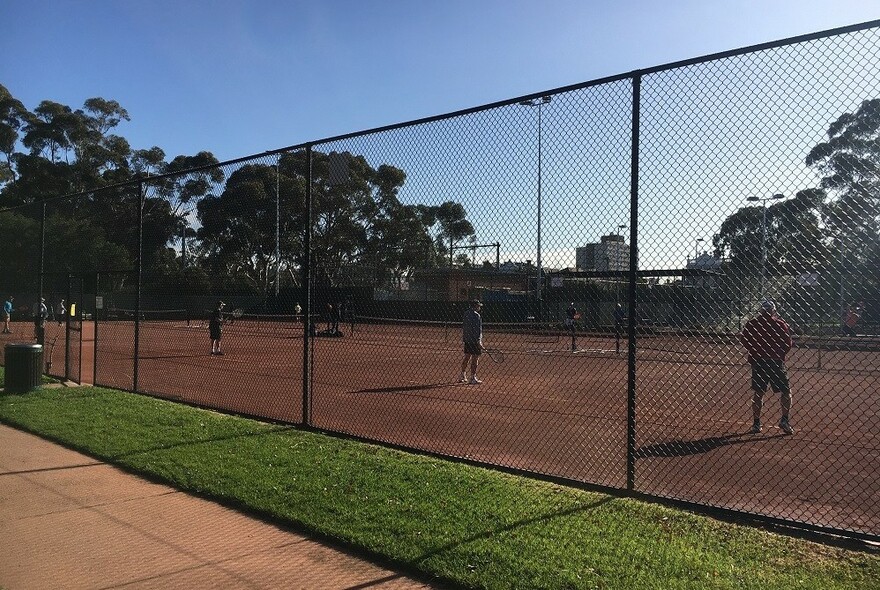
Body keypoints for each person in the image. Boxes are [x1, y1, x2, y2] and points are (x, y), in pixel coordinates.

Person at [739, 300, 794, 435]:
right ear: (773, 311)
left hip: (759, 361)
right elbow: (788, 343)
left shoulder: (752, 324)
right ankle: (785, 419)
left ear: (761, 311)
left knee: (759, 392)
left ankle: (756, 423)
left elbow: (744, 340)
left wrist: (754, 351)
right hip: (775, 362)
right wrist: (779, 354)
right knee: (786, 391)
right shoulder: (780, 324)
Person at [460, 299, 484, 384]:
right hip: (474, 340)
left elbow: (466, 328)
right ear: (475, 306)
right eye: (478, 306)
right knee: (475, 359)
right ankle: (473, 378)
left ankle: (462, 375)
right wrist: (479, 341)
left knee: (467, 357)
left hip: (467, 340)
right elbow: (478, 330)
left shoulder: (466, 314)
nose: (479, 307)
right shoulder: (476, 315)